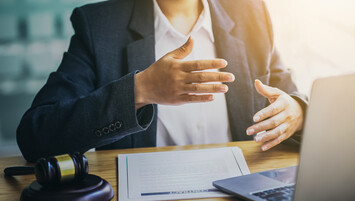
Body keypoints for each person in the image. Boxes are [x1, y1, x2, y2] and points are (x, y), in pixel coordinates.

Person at [17, 0, 307, 162]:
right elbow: (36, 136)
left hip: (244, 198)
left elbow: (288, 94)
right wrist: (139, 91)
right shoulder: (98, 25)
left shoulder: (249, 12)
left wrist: (297, 111)